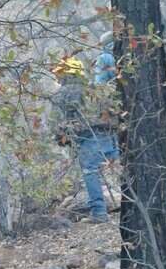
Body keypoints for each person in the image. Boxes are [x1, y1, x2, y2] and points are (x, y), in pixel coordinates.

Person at [50, 56, 119, 223]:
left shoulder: (61, 95)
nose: (57, 77)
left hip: (87, 139)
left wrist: (61, 139)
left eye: (59, 74)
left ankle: (99, 213)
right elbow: (113, 109)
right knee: (120, 169)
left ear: (65, 73)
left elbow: (57, 123)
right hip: (111, 135)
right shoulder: (94, 88)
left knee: (90, 172)